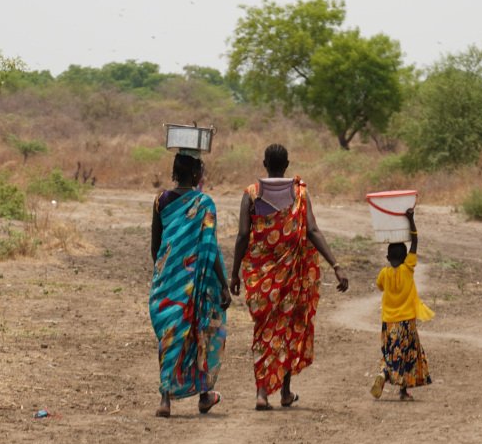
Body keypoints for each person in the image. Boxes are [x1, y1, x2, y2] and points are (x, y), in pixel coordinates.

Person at [230, 144, 349, 410]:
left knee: (264, 332)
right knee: (288, 328)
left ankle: (262, 393)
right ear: (287, 164)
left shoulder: (251, 194)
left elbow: (242, 235)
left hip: (260, 277)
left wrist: (234, 273)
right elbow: (313, 231)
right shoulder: (300, 194)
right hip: (293, 275)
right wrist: (336, 264)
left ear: (264, 163)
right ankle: (284, 392)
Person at [149, 152, 231, 418]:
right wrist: (224, 284)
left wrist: (166, 274)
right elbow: (210, 248)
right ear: (197, 175)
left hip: (166, 282)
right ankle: (205, 394)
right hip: (197, 282)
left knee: (170, 336)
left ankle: (165, 399)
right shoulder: (205, 203)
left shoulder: (161, 200)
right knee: (201, 331)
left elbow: (156, 245)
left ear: (175, 173)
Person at [371, 207, 433, 401]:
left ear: (388, 258)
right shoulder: (408, 268)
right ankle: (403, 391)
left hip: (388, 322)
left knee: (391, 351)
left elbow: (380, 287)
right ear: (406, 257)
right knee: (406, 354)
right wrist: (410, 220)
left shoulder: (384, 273)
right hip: (406, 321)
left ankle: (384, 372)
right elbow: (415, 241)